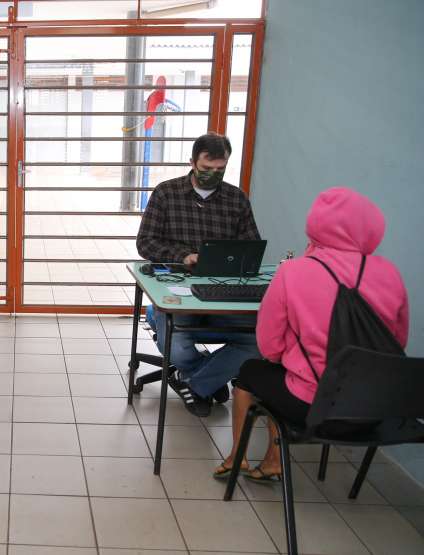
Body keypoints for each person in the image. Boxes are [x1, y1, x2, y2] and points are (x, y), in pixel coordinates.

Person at [214, 187, 409, 483]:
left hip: (314, 407)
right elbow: (397, 342)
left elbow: (269, 347)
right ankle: (271, 461)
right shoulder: (389, 272)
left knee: (252, 371)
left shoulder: (293, 271)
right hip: (377, 407)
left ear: (315, 225)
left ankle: (237, 458)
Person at [136, 132, 262, 416]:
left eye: (220, 169)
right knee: (177, 346)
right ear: (192, 162)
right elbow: (145, 243)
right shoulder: (166, 193)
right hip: (180, 286)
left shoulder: (236, 199)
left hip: (223, 287)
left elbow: (251, 246)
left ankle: (194, 381)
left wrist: (234, 262)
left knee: (257, 342)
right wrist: (184, 257)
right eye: (206, 169)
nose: (213, 175)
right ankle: (203, 377)